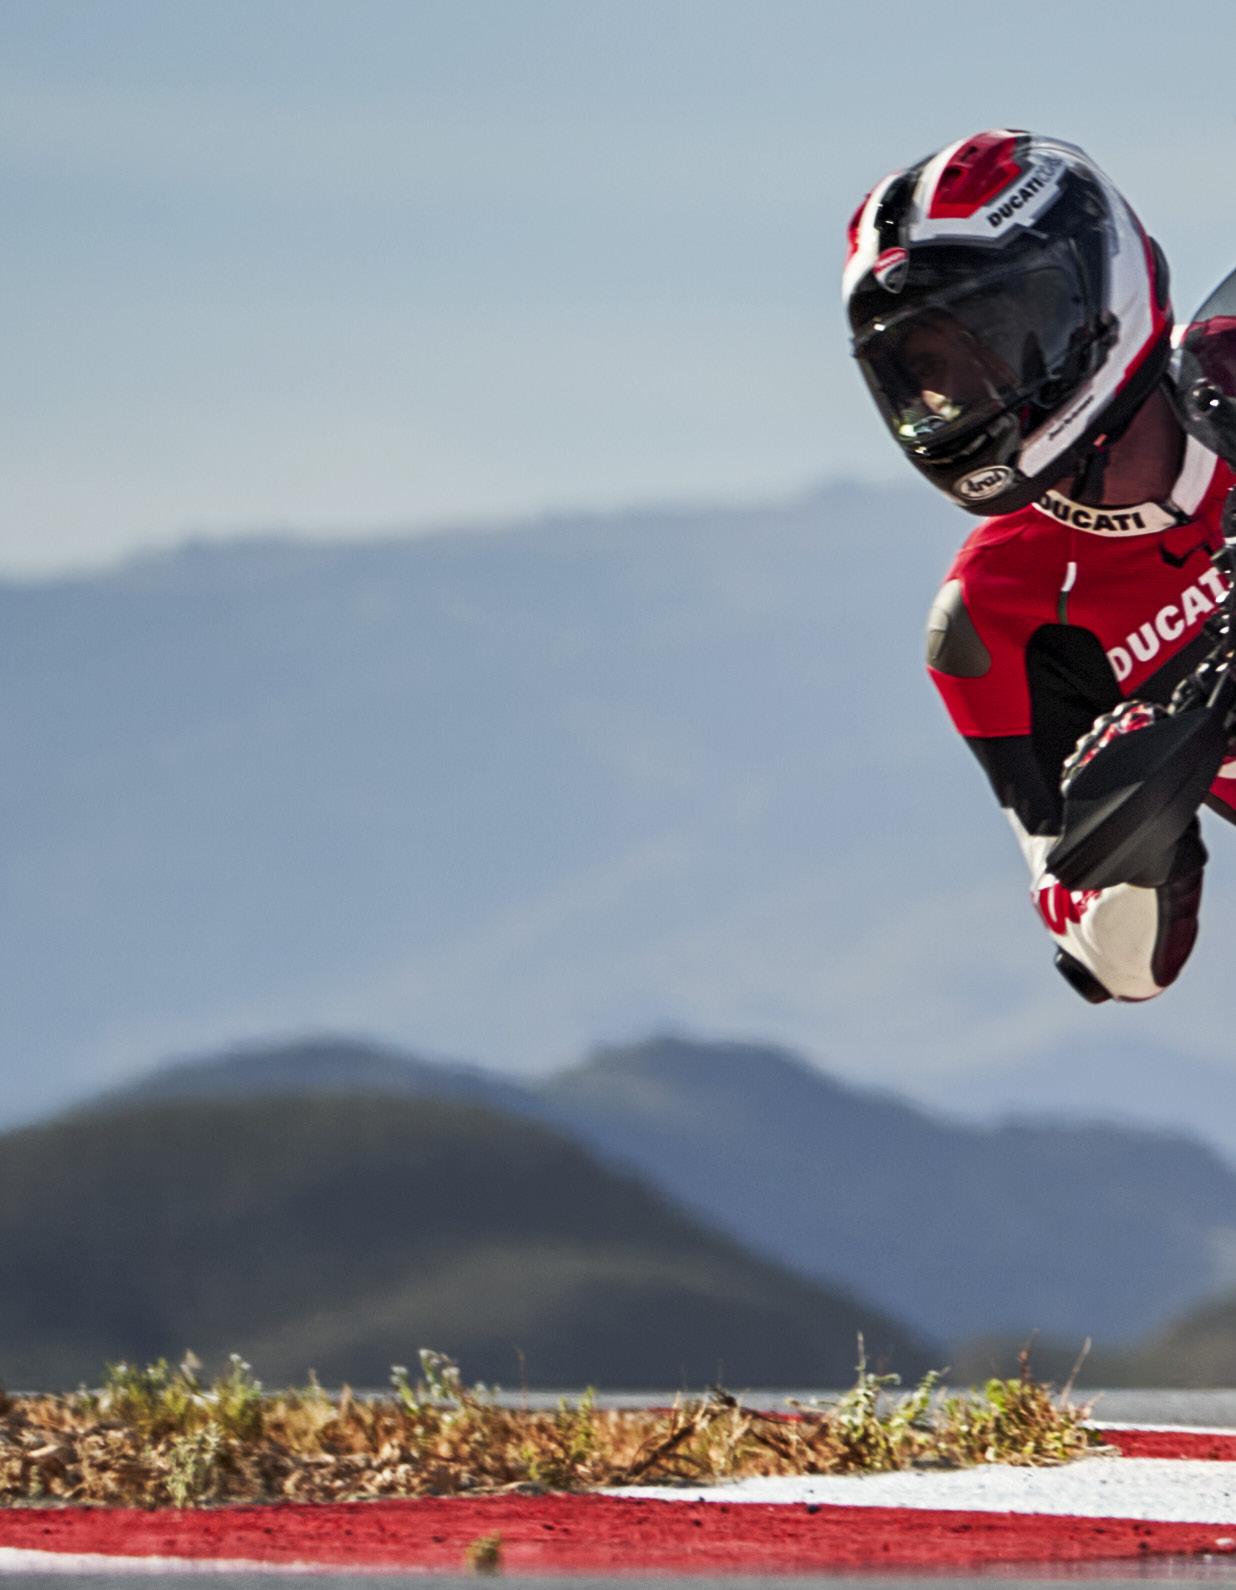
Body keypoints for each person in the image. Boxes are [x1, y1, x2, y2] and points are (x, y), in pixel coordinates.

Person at [843, 129, 1236, 1004]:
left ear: (1094, 293)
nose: (968, 388)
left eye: (994, 332)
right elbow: (1119, 964)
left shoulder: (1232, 363)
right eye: (927, 368)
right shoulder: (991, 615)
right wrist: (1133, 830)